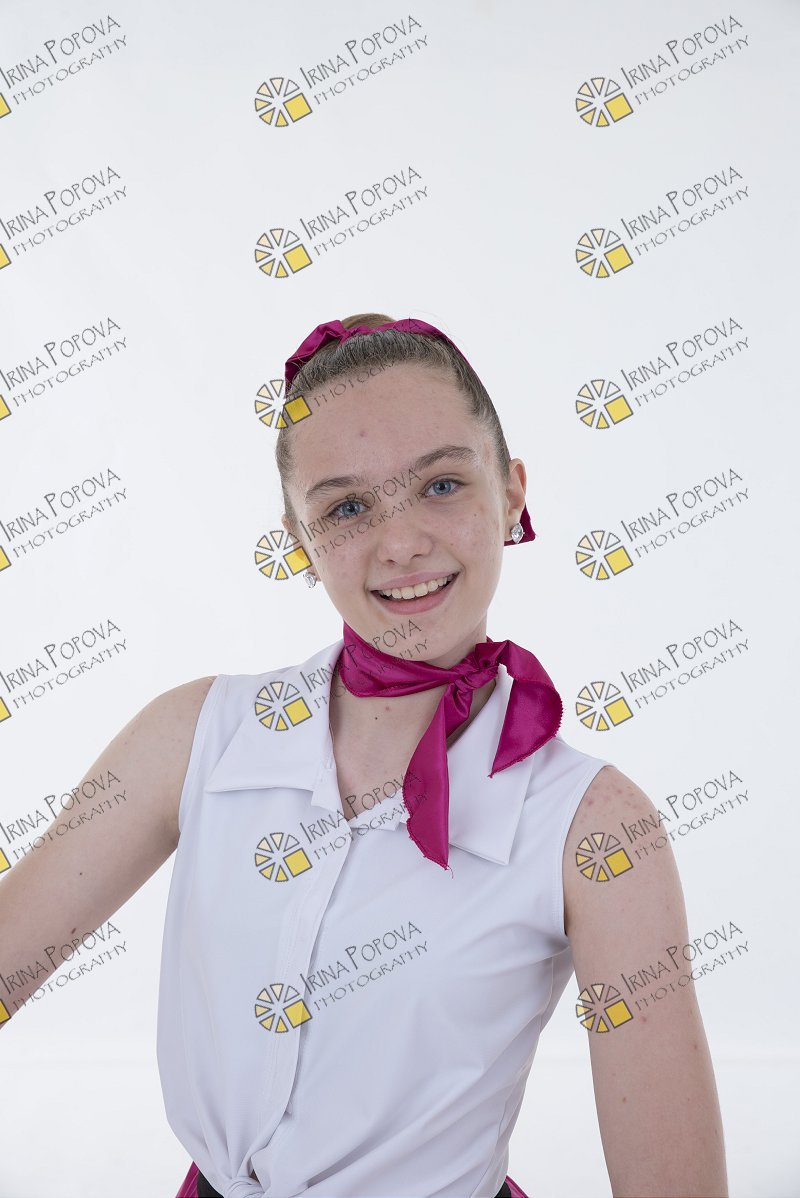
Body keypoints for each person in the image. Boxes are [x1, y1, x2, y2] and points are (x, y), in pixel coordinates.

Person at [0, 312, 728, 1198]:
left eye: (442, 485)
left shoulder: (596, 828)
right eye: (347, 508)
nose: (402, 543)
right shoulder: (195, 737)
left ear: (511, 494)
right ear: (299, 540)